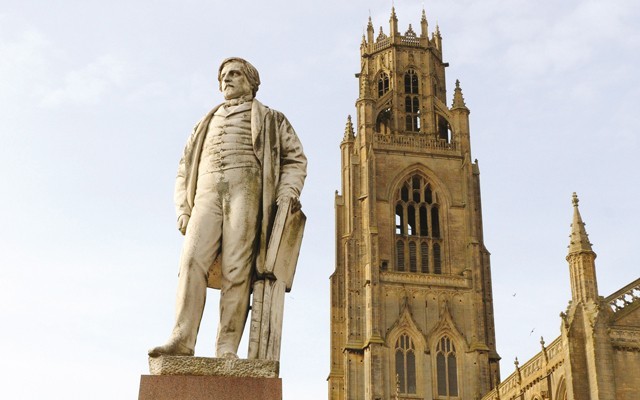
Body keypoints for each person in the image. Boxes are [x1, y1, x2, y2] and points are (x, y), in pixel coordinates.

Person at [149, 57, 307, 359]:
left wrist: (287, 193)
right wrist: (183, 207)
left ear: (251, 81)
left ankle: (226, 347)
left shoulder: (273, 119)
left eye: (234, 74)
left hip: (246, 190)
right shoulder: (204, 122)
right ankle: (182, 338)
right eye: (223, 75)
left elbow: (295, 159)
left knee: (238, 269)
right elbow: (183, 168)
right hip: (207, 192)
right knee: (191, 261)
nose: (227, 79)